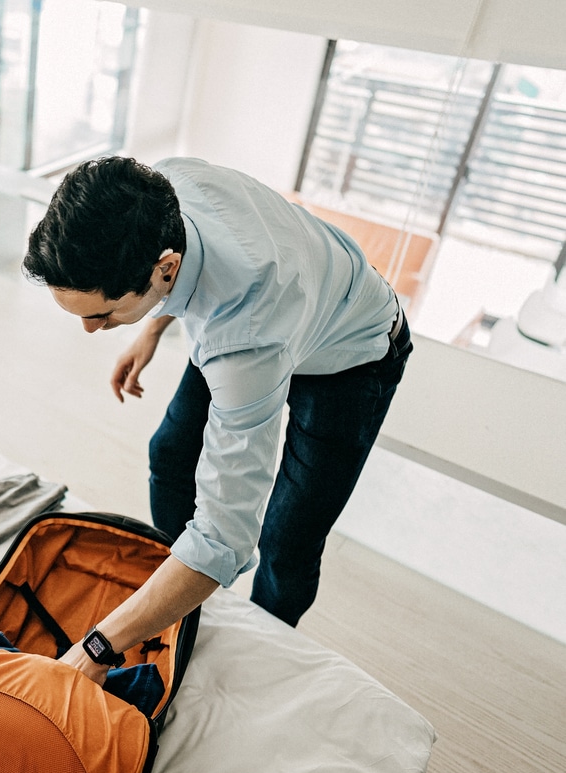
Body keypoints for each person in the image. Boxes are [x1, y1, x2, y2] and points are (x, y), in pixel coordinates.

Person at [21, 156, 413, 684]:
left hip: (352, 353)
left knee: (286, 538)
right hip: (285, 297)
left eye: (103, 314)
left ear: (164, 269)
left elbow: (225, 535)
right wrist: (148, 330)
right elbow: (179, 280)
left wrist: (96, 648)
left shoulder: (242, 340)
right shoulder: (163, 185)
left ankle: (260, 654)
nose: (92, 331)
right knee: (170, 451)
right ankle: (176, 597)